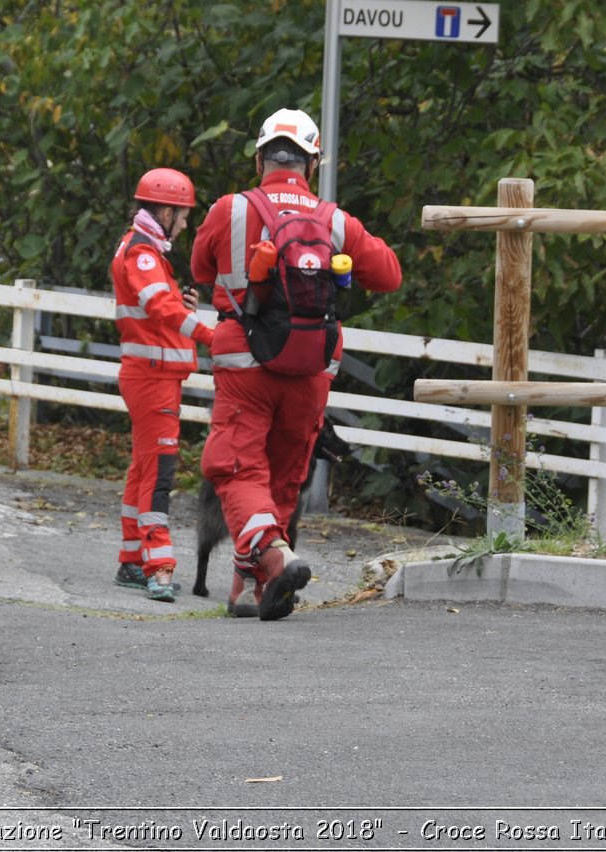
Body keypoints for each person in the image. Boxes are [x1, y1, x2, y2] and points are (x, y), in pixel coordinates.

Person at [190, 108, 401, 620]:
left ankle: (276, 556)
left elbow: (199, 269)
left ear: (260, 157)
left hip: (245, 361)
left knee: (238, 468)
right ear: (312, 163)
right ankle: (252, 589)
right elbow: (389, 275)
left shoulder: (229, 209)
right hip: (312, 366)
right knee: (285, 475)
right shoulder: (334, 220)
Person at [111, 168, 215, 602]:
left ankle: (132, 561)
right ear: (167, 211)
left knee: (143, 470)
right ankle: (158, 567)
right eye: (184, 215)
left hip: (152, 376)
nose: (186, 223)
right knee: (158, 474)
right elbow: (159, 308)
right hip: (152, 379)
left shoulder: (144, 251)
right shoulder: (144, 255)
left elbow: (162, 305)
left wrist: (183, 303)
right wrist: (214, 338)